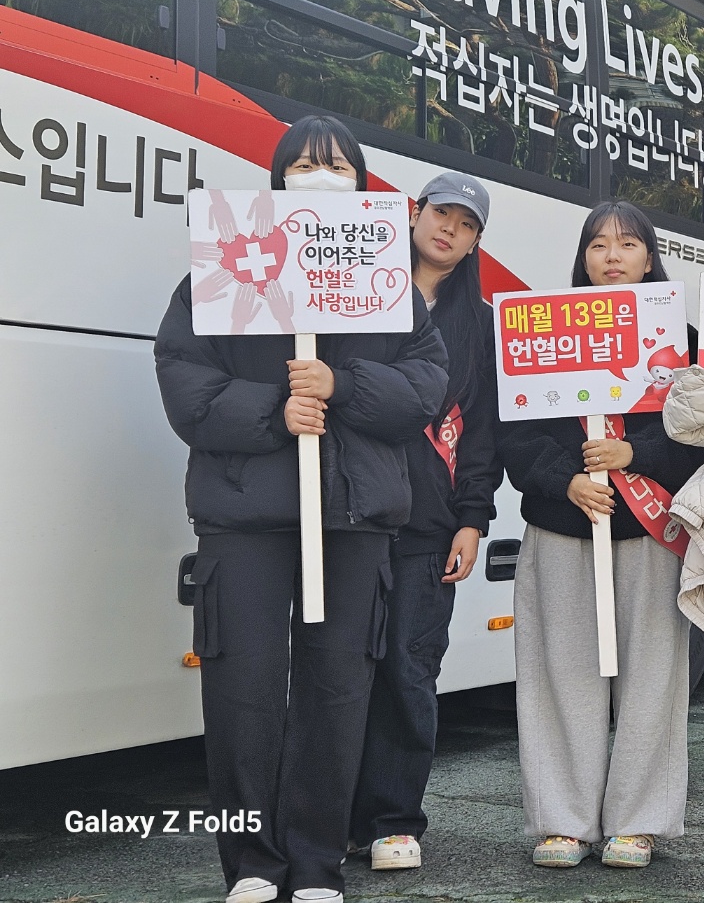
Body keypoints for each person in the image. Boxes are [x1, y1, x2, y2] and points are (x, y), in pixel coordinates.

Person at [154, 115, 449, 903]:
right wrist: (275, 408)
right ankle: (253, 863)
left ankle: (317, 862)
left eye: (339, 165)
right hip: (245, 517)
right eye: (305, 164)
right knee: (242, 687)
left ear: (363, 180)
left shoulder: (386, 274)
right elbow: (183, 378)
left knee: (337, 691)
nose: (323, 175)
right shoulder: (223, 263)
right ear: (276, 177)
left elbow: (426, 382)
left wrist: (343, 388)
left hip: (353, 516)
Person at [498, 200, 704, 871]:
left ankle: (637, 822)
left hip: (650, 531)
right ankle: (562, 820)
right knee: (557, 674)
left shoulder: (686, 341)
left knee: (654, 677)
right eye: (598, 244)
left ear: (651, 256)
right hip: (563, 528)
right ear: (583, 257)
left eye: (627, 243)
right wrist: (566, 480)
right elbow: (517, 434)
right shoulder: (544, 329)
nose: (612, 255)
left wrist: (633, 459)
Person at [349, 172, 502, 872]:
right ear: (413, 215)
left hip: (431, 526)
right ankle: (329, 814)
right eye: (441, 214)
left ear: (474, 244)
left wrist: (472, 518)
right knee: (339, 667)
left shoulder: (480, 324)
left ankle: (393, 821)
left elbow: (481, 433)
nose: (450, 230)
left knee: (410, 669)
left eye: (466, 225)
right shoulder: (356, 288)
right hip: (349, 511)